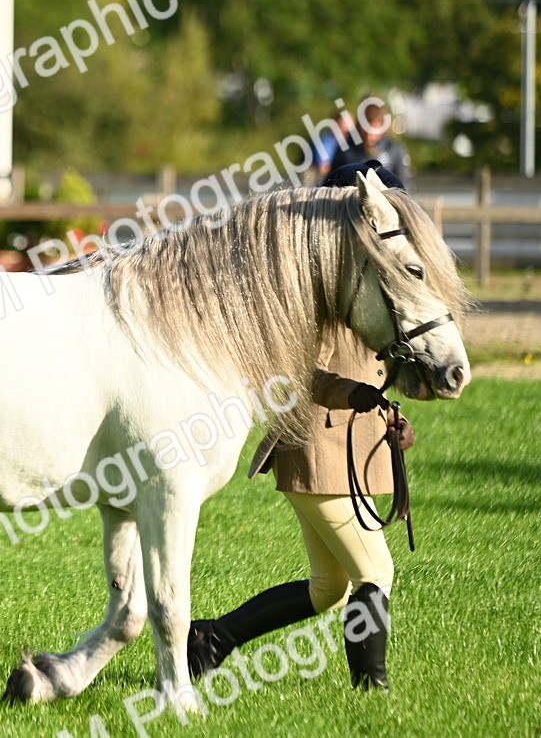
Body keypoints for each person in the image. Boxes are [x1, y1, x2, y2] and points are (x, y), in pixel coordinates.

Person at [186, 161, 415, 693]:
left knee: (328, 588)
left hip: (348, 447)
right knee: (375, 574)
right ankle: (371, 689)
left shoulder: (360, 281)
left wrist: (390, 416)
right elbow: (291, 371)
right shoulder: (310, 288)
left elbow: (367, 368)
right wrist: (352, 394)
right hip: (317, 446)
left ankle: (211, 639)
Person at [330, 99, 412, 187]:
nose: (369, 136)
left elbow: (404, 188)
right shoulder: (346, 148)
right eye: (365, 131)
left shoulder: (395, 150)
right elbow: (330, 182)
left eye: (374, 130)